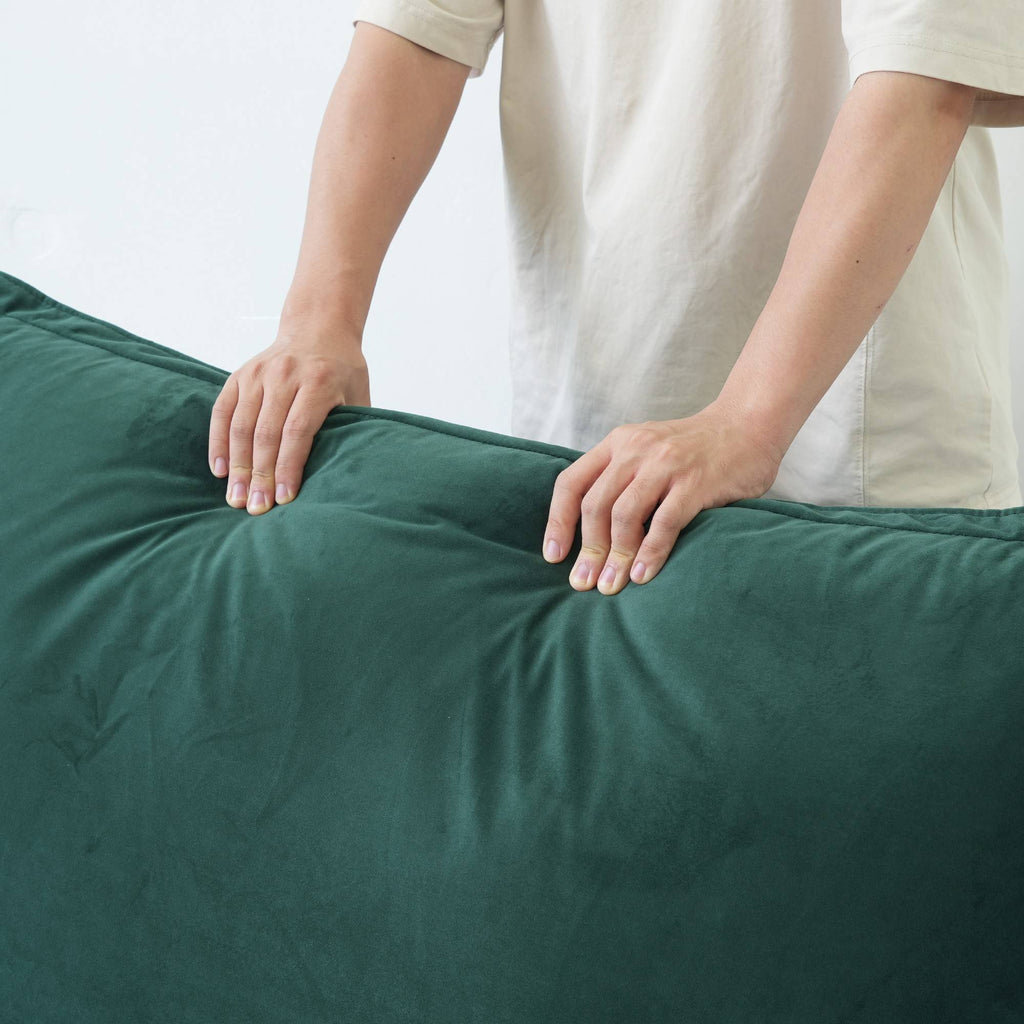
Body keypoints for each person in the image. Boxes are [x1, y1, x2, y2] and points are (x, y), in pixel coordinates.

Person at [207, 1, 1024, 597]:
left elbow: (922, 80)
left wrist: (744, 421)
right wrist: (319, 324)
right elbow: (415, 33)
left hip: (867, 467)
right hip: (597, 458)